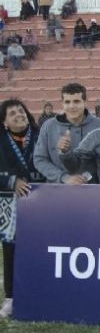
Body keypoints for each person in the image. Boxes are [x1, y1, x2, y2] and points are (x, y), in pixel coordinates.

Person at [0, 99, 45, 318]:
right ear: (5, 122)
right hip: (10, 203)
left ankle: (39, 291)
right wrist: (12, 181)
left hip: (41, 202)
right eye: (12, 113)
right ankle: (10, 296)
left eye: (21, 111)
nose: (19, 115)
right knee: (12, 250)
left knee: (41, 246)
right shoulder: (1, 141)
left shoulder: (39, 137)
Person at [33, 83, 100, 184]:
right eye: (67, 102)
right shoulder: (49, 126)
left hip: (92, 190)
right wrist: (64, 178)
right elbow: (40, 159)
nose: (72, 106)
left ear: (85, 102)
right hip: (57, 189)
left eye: (76, 101)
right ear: (62, 103)